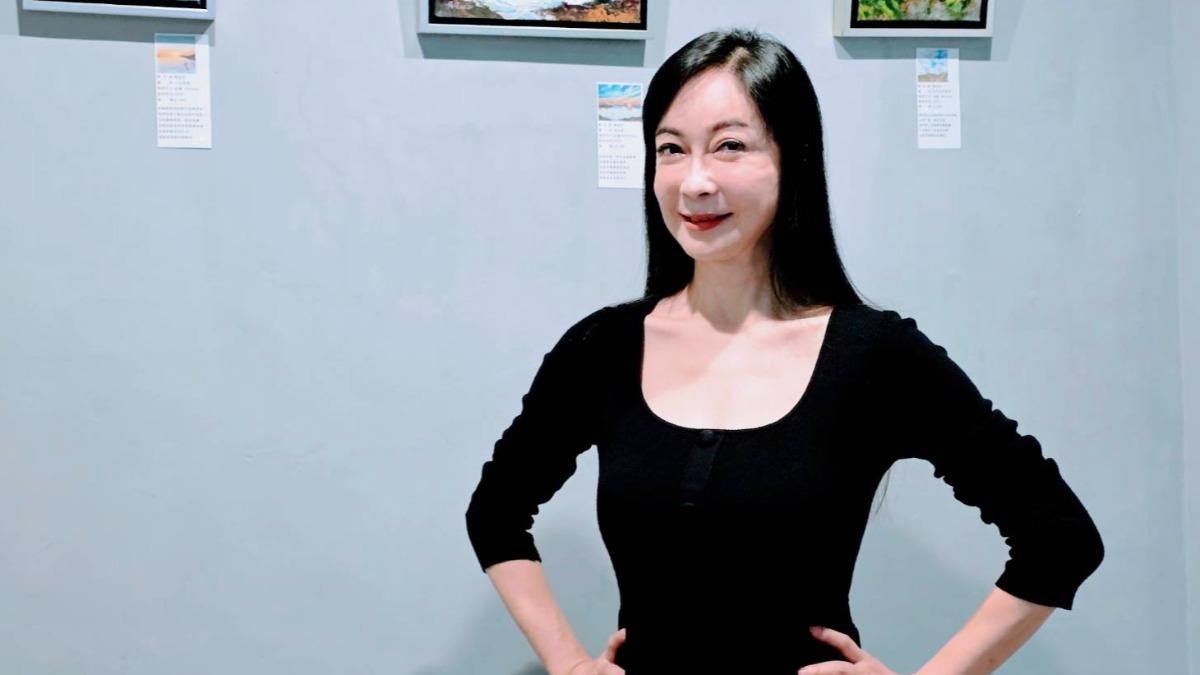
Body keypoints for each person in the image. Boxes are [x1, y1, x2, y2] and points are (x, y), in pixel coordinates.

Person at [465, 28, 1104, 675]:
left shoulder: (873, 355)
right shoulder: (601, 348)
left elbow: (1059, 537)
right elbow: (495, 513)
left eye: (730, 146)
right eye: (671, 149)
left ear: (792, 158)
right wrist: (569, 664)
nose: (695, 182)